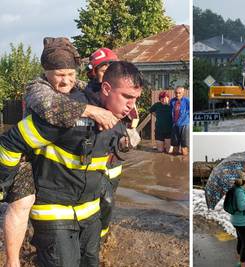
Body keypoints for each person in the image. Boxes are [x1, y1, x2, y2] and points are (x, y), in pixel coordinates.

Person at [0, 60, 142, 266]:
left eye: (136, 98)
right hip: (54, 212)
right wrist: (5, 184)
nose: (132, 106)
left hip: (90, 214)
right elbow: (9, 143)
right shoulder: (66, 114)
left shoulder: (119, 117)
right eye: (127, 97)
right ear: (107, 88)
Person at [230, 172, 245, 267]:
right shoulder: (239, 191)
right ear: (243, 180)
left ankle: (240, 262)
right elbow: (242, 206)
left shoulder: (236, 189)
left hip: (237, 220)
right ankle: (243, 264)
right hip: (242, 222)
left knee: (241, 240)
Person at [170, 86, 189, 156]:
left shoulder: (187, 101)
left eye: (179, 93)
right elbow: (171, 112)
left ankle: (184, 161)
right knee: (175, 146)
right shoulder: (172, 101)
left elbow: (190, 112)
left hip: (184, 125)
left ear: (183, 93)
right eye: (176, 93)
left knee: (184, 148)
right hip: (175, 125)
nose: (177, 95)